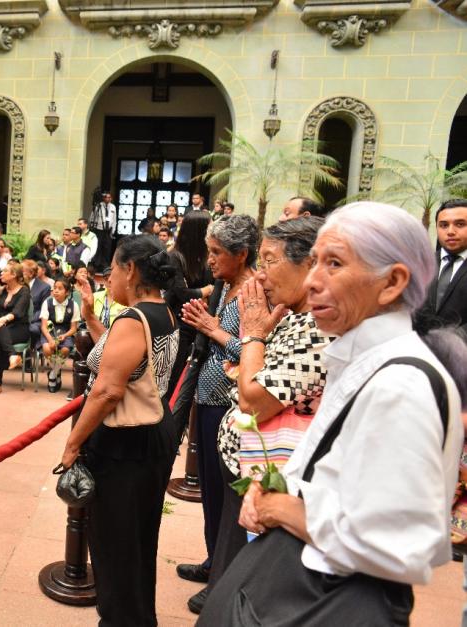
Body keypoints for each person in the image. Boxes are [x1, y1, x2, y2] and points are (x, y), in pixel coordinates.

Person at [201, 202, 466, 624]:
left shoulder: (401, 383)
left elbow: (400, 545)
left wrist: (282, 509)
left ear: (392, 282)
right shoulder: (360, 358)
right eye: (315, 262)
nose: (315, 281)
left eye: (334, 264)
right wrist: (272, 491)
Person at [191, 217, 331, 614]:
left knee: (241, 592)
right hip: (248, 470)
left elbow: (254, 399)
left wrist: (252, 333)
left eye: (270, 260)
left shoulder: (319, 330)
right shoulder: (291, 315)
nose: (262, 273)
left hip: (270, 481)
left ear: (310, 265)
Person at [59, 234, 179, 626]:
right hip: (154, 433)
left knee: (114, 543)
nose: (108, 279)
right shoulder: (164, 312)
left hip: (125, 442)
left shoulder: (133, 318)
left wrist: (73, 443)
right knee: (139, 537)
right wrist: (92, 316)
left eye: (112, 270)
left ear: (130, 270)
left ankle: (121, 619)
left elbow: (109, 388)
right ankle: (138, 617)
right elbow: (120, 362)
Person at [177, 214, 258, 592]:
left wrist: (212, 329)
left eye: (217, 253)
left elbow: (255, 350)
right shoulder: (225, 285)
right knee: (210, 490)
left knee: (228, 498)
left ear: (241, 254)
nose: (209, 260)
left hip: (231, 405)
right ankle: (214, 562)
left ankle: (225, 581)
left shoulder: (255, 292)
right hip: (208, 398)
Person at [164, 210, 214, 399]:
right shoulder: (175, 256)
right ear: (198, 231)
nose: (213, 230)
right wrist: (205, 290)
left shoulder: (208, 256)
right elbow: (181, 293)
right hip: (178, 323)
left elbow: (214, 287)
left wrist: (202, 292)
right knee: (173, 379)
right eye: (209, 226)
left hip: (201, 322)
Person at [415, 198, 467, 334]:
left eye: (460, 224)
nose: (450, 231)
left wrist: (448, 343)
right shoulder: (420, 264)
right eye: (444, 225)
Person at [0, 260, 30, 396]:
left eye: (5, 271)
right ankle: (13, 355)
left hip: (18, 328)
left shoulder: (24, 291)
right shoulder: (3, 289)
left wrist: (1, 320)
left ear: (14, 275)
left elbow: (18, 312)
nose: (1, 273)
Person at [39, 278, 80, 393]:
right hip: (49, 331)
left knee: (65, 350)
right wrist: (50, 339)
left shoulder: (74, 305)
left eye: (60, 289)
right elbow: (43, 326)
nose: (56, 291)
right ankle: (56, 372)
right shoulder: (47, 303)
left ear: (67, 292)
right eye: (55, 288)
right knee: (47, 348)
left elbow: (74, 328)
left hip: (65, 332)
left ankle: (53, 373)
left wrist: (65, 335)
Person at [88, 190, 116, 265]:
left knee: (107, 248)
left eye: (109, 197)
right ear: (103, 198)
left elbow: (114, 220)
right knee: (98, 247)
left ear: (111, 198)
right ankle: (96, 264)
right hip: (99, 230)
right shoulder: (98, 206)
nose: (107, 199)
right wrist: (91, 226)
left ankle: (105, 265)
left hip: (108, 231)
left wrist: (113, 231)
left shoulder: (113, 207)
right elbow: (92, 216)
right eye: (106, 197)